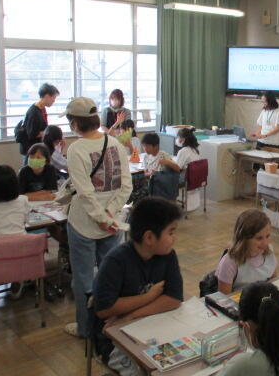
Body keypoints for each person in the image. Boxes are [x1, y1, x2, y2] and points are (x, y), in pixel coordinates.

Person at [62, 97, 133, 339]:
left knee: (84, 279)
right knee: (111, 277)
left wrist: (100, 216)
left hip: (83, 223)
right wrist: (109, 213)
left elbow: (84, 192)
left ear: (74, 122)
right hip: (113, 223)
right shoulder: (114, 143)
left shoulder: (76, 149)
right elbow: (126, 186)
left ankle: (86, 329)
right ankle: (109, 327)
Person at [94, 197, 183, 374]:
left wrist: (131, 315)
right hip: (113, 339)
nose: (175, 238)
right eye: (171, 232)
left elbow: (173, 299)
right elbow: (105, 309)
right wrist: (150, 296)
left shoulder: (167, 255)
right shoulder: (116, 261)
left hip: (148, 325)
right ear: (149, 237)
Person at [216, 210, 277, 294]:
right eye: (259, 238)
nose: (265, 243)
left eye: (268, 236)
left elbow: (274, 281)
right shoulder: (229, 263)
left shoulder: (268, 251)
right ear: (244, 239)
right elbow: (224, 298)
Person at [21, 83, 59, 164]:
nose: (54, 101)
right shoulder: (34, 112)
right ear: (47, 96)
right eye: (53, 98)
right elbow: (32, 134)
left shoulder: (41, 109)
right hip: (31, 150)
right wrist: (49, 133)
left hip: (37, 148)